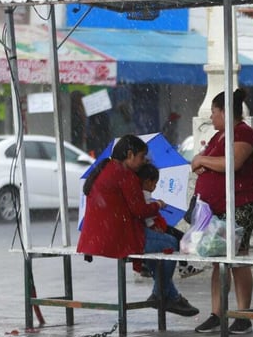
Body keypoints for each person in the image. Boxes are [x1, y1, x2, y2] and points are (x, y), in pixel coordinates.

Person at [77, 134, 199, 317]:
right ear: (130, 154)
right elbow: (140, 211)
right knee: (171, 244)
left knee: (159, 248)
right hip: (118, 238)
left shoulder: (108, 168)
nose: (143, 162)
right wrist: (157, 205)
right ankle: (163, 295)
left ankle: (167, 295)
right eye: (141, 157)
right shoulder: (125, 174)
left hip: (98, 237)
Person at [192, 89, 253, 335]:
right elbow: (199, 162)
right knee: (217, 260)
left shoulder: (243, 133)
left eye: (213, 112)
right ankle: (216, 313)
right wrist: (202, 162)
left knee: (237, 258)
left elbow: (231, 163)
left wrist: (203, 162)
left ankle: (243, 316)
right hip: (217, 207)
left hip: (240, 205)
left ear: (225, 112)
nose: (211, 117)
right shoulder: (217, 136)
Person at [136, 162, 202, 280]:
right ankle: (183, 267)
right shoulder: (144, 194)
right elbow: (146, 215)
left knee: (177, 238)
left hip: (156, 225)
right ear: (147, 182)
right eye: (154, 184)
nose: (155, 187)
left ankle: (148, 266)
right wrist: (157, 206)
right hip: (156, 227)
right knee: (178, 239)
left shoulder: (141, 194)